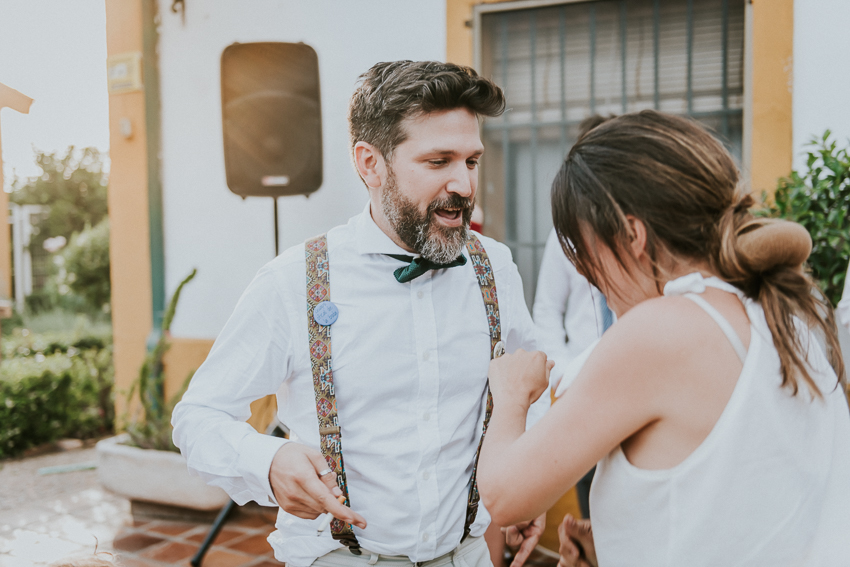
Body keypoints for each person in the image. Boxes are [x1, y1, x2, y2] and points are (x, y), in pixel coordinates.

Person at [172, 60, 549, 567]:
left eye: (472, 162)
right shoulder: (291, 282)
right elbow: (199, 416)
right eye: (438, 162)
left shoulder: (495, 267)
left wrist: (528, 477)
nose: (463, 184)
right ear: (369, 163)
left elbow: (528, 386)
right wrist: (268, 460)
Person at [476, 110, 850, 566]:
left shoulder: (664, 328)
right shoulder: (793, 306)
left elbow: (505, 495)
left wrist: (512, 393)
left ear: (632, 234)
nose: (596, 286)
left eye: (589, 261)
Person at [532, 115, 614, 520]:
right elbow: (547, 309)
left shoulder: (642, 229)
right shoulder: (562, 236)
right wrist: (565, 371)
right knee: (590, 498)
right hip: (583, 386)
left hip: (634, 378)